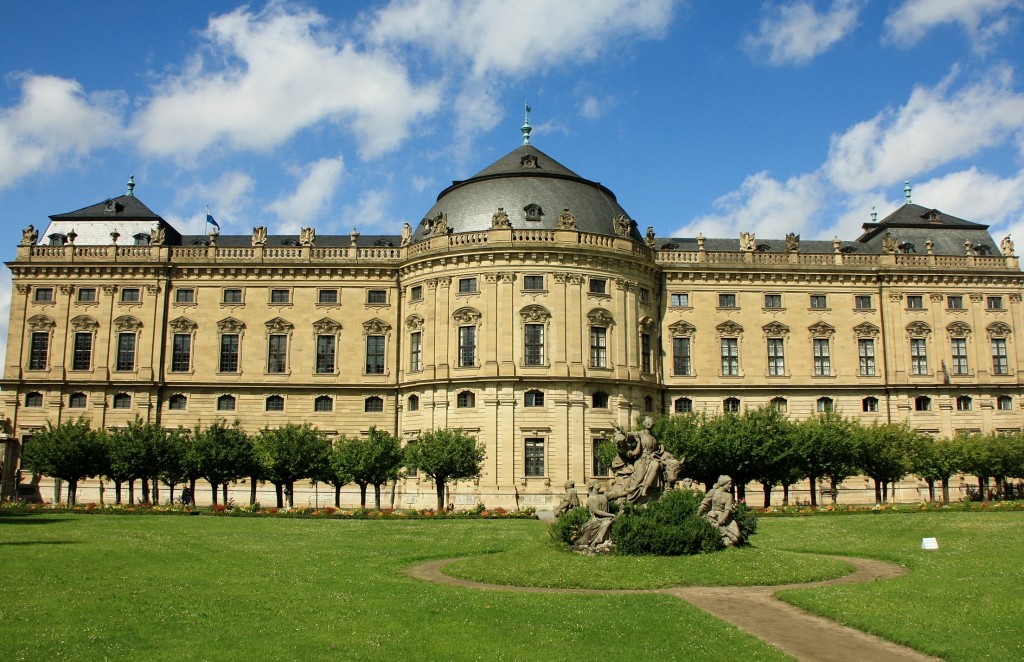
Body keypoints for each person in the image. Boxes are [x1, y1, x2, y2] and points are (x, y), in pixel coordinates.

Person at [698, 475, 742, 546]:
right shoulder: (712, 492)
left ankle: (725, 534)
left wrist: (719, 523)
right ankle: (722, 537)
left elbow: (727, 511)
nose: (730, 486)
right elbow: (704, 504)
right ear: (723, 483)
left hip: (724, 516)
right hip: (712, 515)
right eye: (729, 484)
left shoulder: (729, 496)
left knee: (737, 536)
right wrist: (698, 513)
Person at [572, 480, 615, 550]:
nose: (599, 484)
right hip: (596, 520)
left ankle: (603, 542)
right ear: (592, 486)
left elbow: (616, 494)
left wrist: (629, 491)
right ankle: (596, 542)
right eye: (597, 483)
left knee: (609, 521)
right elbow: (597, 511)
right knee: (607, 522)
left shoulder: (603, 495)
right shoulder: (591, 498)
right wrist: (611, 515)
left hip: (606, 518)